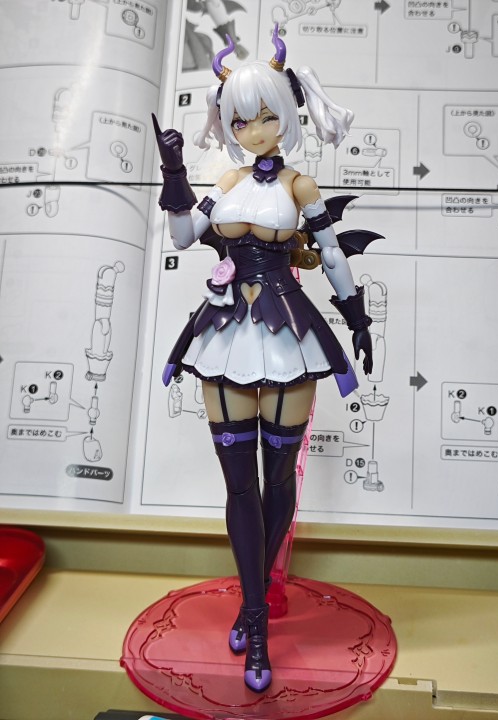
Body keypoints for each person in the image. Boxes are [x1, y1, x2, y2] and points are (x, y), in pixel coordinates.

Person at [154, 27, 374, 693]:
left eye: (266, 116)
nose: (253, 131)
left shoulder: (301, 187)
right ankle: (255, 616)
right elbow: (184, 235)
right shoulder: (225, 180)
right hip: (225, 333)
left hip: (288, 335)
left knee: (278, 481)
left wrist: (357, 317)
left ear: (287, 113)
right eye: (240, 120)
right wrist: (172, 171)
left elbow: (331, 255)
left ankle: (253, 608)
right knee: (238, 487)